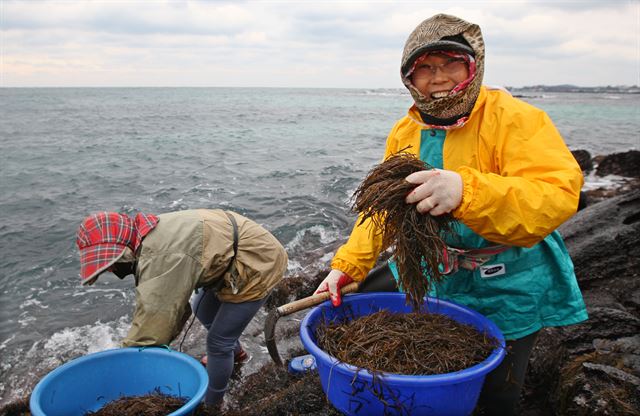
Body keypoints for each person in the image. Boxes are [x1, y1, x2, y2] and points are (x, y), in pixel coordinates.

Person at [315, 13, 588, 415]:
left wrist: (467, 191)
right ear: (409, 78)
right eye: (424, 68)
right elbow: (383, 211)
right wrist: (349, 265)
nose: (437, 78)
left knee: (500, 390)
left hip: (510, 279)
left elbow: (557, 195)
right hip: (437, 275)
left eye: (450, 64)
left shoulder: (515, 119)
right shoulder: (405, 133)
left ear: (473, 66)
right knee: (438, 366)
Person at [76, 209, 287, 408]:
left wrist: (124, 366)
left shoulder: (159, 256)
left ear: (122, 250)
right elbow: (173, 305)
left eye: (110, 262)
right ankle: (237, 354)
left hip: (257, 259)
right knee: (201, 308)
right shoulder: (147, 234)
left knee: (218, 343)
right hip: (232, 250)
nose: (110, 269)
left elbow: (153, 324)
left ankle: (212, 405)